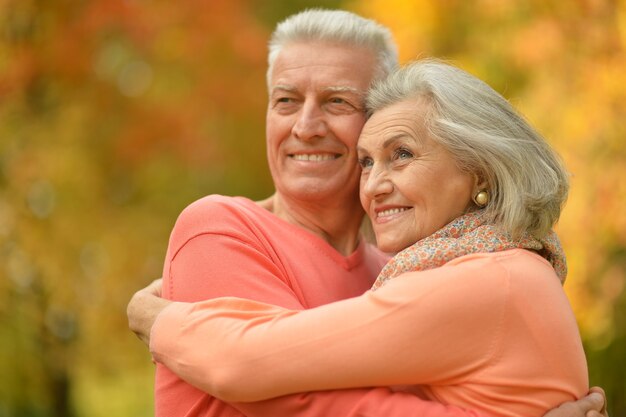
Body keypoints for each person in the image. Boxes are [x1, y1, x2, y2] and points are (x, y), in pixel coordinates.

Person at [127, 9, 608, 417]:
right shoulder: (219, 229)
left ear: (377, 112)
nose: (307, 126)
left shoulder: (427, 273)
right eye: (286, 101)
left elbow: (259, 372)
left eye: (337, 101)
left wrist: (152, 317)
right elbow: (304, 405)